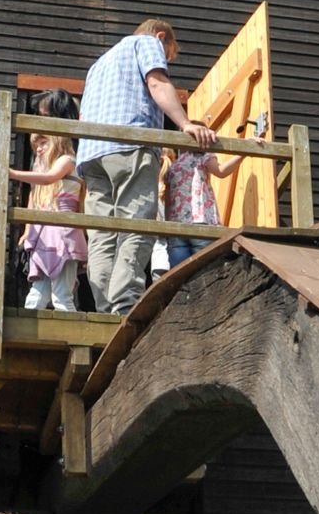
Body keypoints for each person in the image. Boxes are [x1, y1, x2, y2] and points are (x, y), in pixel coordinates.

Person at [75, 20, 218, 320]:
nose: (166, 60)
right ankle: (126, 304)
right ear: (161, 36)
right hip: (130, 145)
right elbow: (156, 83)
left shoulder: (98, 65)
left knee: (102, 233)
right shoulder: (146, 43)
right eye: (169, 54)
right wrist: (185, 123)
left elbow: (84, 114)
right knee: (137, 222)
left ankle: (104, 309)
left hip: (91, 155)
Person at [10, 99, 87, 312]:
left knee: (61, 294)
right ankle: (27, 333)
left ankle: (71, 335)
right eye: (36, 146)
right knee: (37, 293)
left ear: (56, 140)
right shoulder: (40, 168)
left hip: (64, 229)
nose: (39, 149)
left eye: (43, 143)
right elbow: (35, 196)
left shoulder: (67, 160)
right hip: (43, 231)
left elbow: (49, 178)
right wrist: (27, 230)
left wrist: (13, 173)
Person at [159, 107, 231, 269]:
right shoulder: (203, 156)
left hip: (177, 227)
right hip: (201, 222)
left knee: (179, 274)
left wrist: (168, 225)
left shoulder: (173, 167)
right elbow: (221, 171)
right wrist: (242, 154)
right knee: (205, 270)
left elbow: (168, 201)